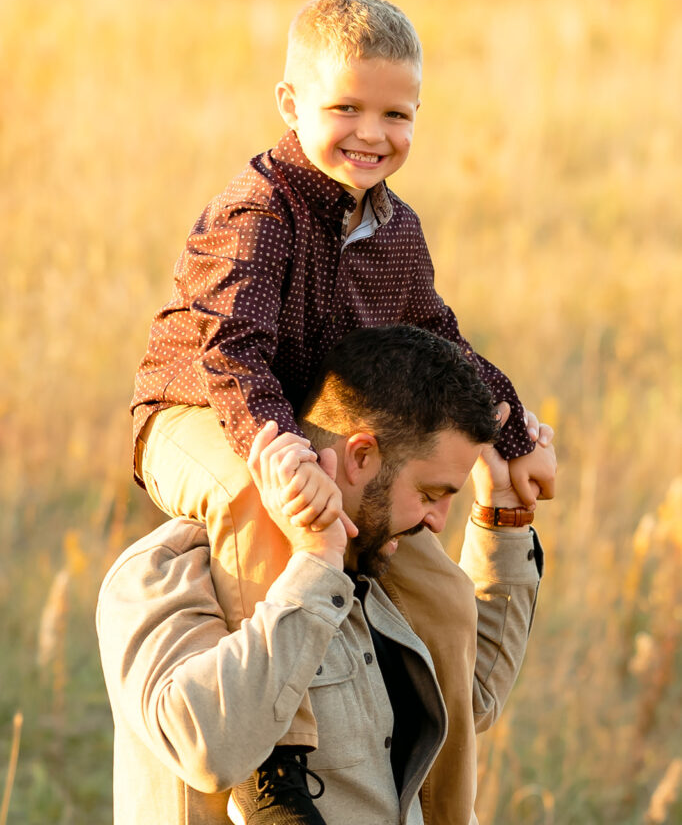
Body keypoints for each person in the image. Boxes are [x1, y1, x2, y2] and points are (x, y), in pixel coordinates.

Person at [130, 0, 556, 823]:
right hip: (199, 415)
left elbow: (437, 334)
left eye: (397, 113)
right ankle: (277, 763)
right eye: (345, 108)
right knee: (264, 501)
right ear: (291, 104)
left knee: (434, 580)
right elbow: (229, 346)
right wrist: (277, 446)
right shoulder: (258, 210)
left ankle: (449, 800)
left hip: (300, 420)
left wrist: (510, 424)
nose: (373, 132)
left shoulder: (396, 229)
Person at [101, 326, 550, 825]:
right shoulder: (168, 572)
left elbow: (470, 699)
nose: (438, 521)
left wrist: (503, 515)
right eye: (428, 493)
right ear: (360, 456)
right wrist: (313, 570)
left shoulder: (378, 566)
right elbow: (206, 747)